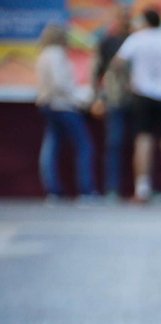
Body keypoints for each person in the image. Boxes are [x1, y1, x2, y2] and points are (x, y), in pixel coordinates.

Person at [116, 8, 161, 202]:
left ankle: (142, 189)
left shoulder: (136, 39)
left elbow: (118, 63)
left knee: (143, 139)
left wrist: (126, 82)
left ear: (144, 22)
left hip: (142, 94)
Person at [35, 23, 98, 202]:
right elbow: (60, 83)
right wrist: (78, 99)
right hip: (63, 105)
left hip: (49, 104)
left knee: (52, 146)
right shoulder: (56, 54)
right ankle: (86, 190)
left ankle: (53, 190)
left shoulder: (43, 55)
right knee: (84, 146)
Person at [94, 7, 133, 200]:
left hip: (135, 100)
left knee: (139, 144)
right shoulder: (107, 42)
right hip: (114, 99)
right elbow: (99, 73)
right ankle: (112, 188)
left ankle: (140, 188)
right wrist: (98, 98)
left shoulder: (135, 40)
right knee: (114, 144)